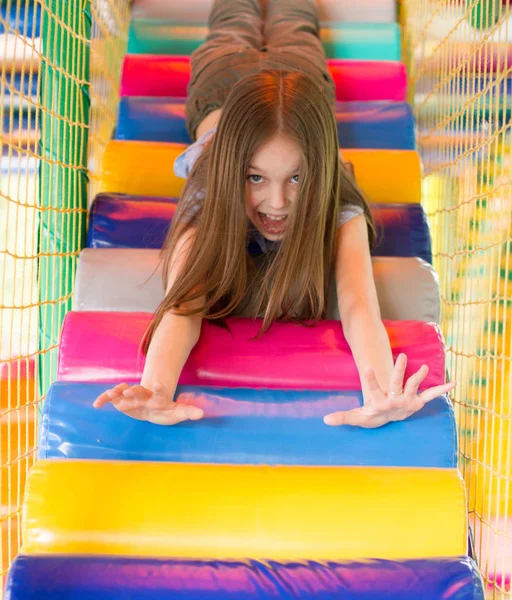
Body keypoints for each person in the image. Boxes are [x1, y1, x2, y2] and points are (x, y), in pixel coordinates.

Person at [93, 0, 455, 427]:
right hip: (226, 82)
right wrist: (156, 389)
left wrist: (379, 392)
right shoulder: (212, 195)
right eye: (256, 178)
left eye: (297, 179)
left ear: (317, 172)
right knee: (239, 17)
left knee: (291, 15)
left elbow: (359, 303)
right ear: (234, 172)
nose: (278, 202)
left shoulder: (336, 201)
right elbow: (183, 305)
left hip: (283, 89)